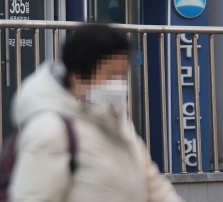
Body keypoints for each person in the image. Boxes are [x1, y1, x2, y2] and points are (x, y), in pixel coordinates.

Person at [9, 24, 183, 202]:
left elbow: (153, 185)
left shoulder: (116, 121)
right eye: (110, 74)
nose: (119, 83)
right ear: (77, 75)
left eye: (122, 74)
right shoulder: (50, 130)